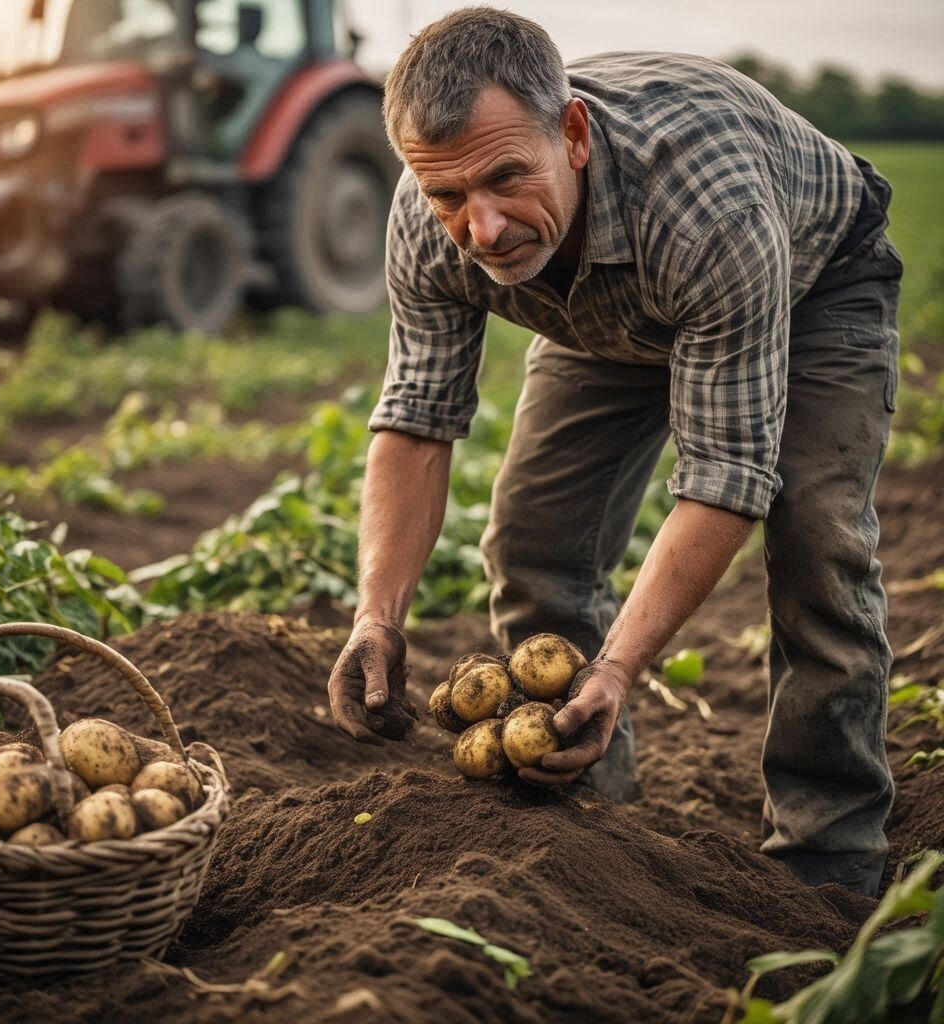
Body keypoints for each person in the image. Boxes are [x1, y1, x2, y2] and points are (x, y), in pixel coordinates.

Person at [326, 8, 901, 898]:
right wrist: (377, 615)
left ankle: (829, 856)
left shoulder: (707, 208)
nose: (482, 229)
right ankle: (587, 817)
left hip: (810, 282)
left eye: (506, 178)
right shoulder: (429, 213)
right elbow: (416, 420)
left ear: (574, 134)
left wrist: (622, 666)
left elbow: (726, 475)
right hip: (604, 307)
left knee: (816, 538)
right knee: (535, 543)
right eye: (449, 197)